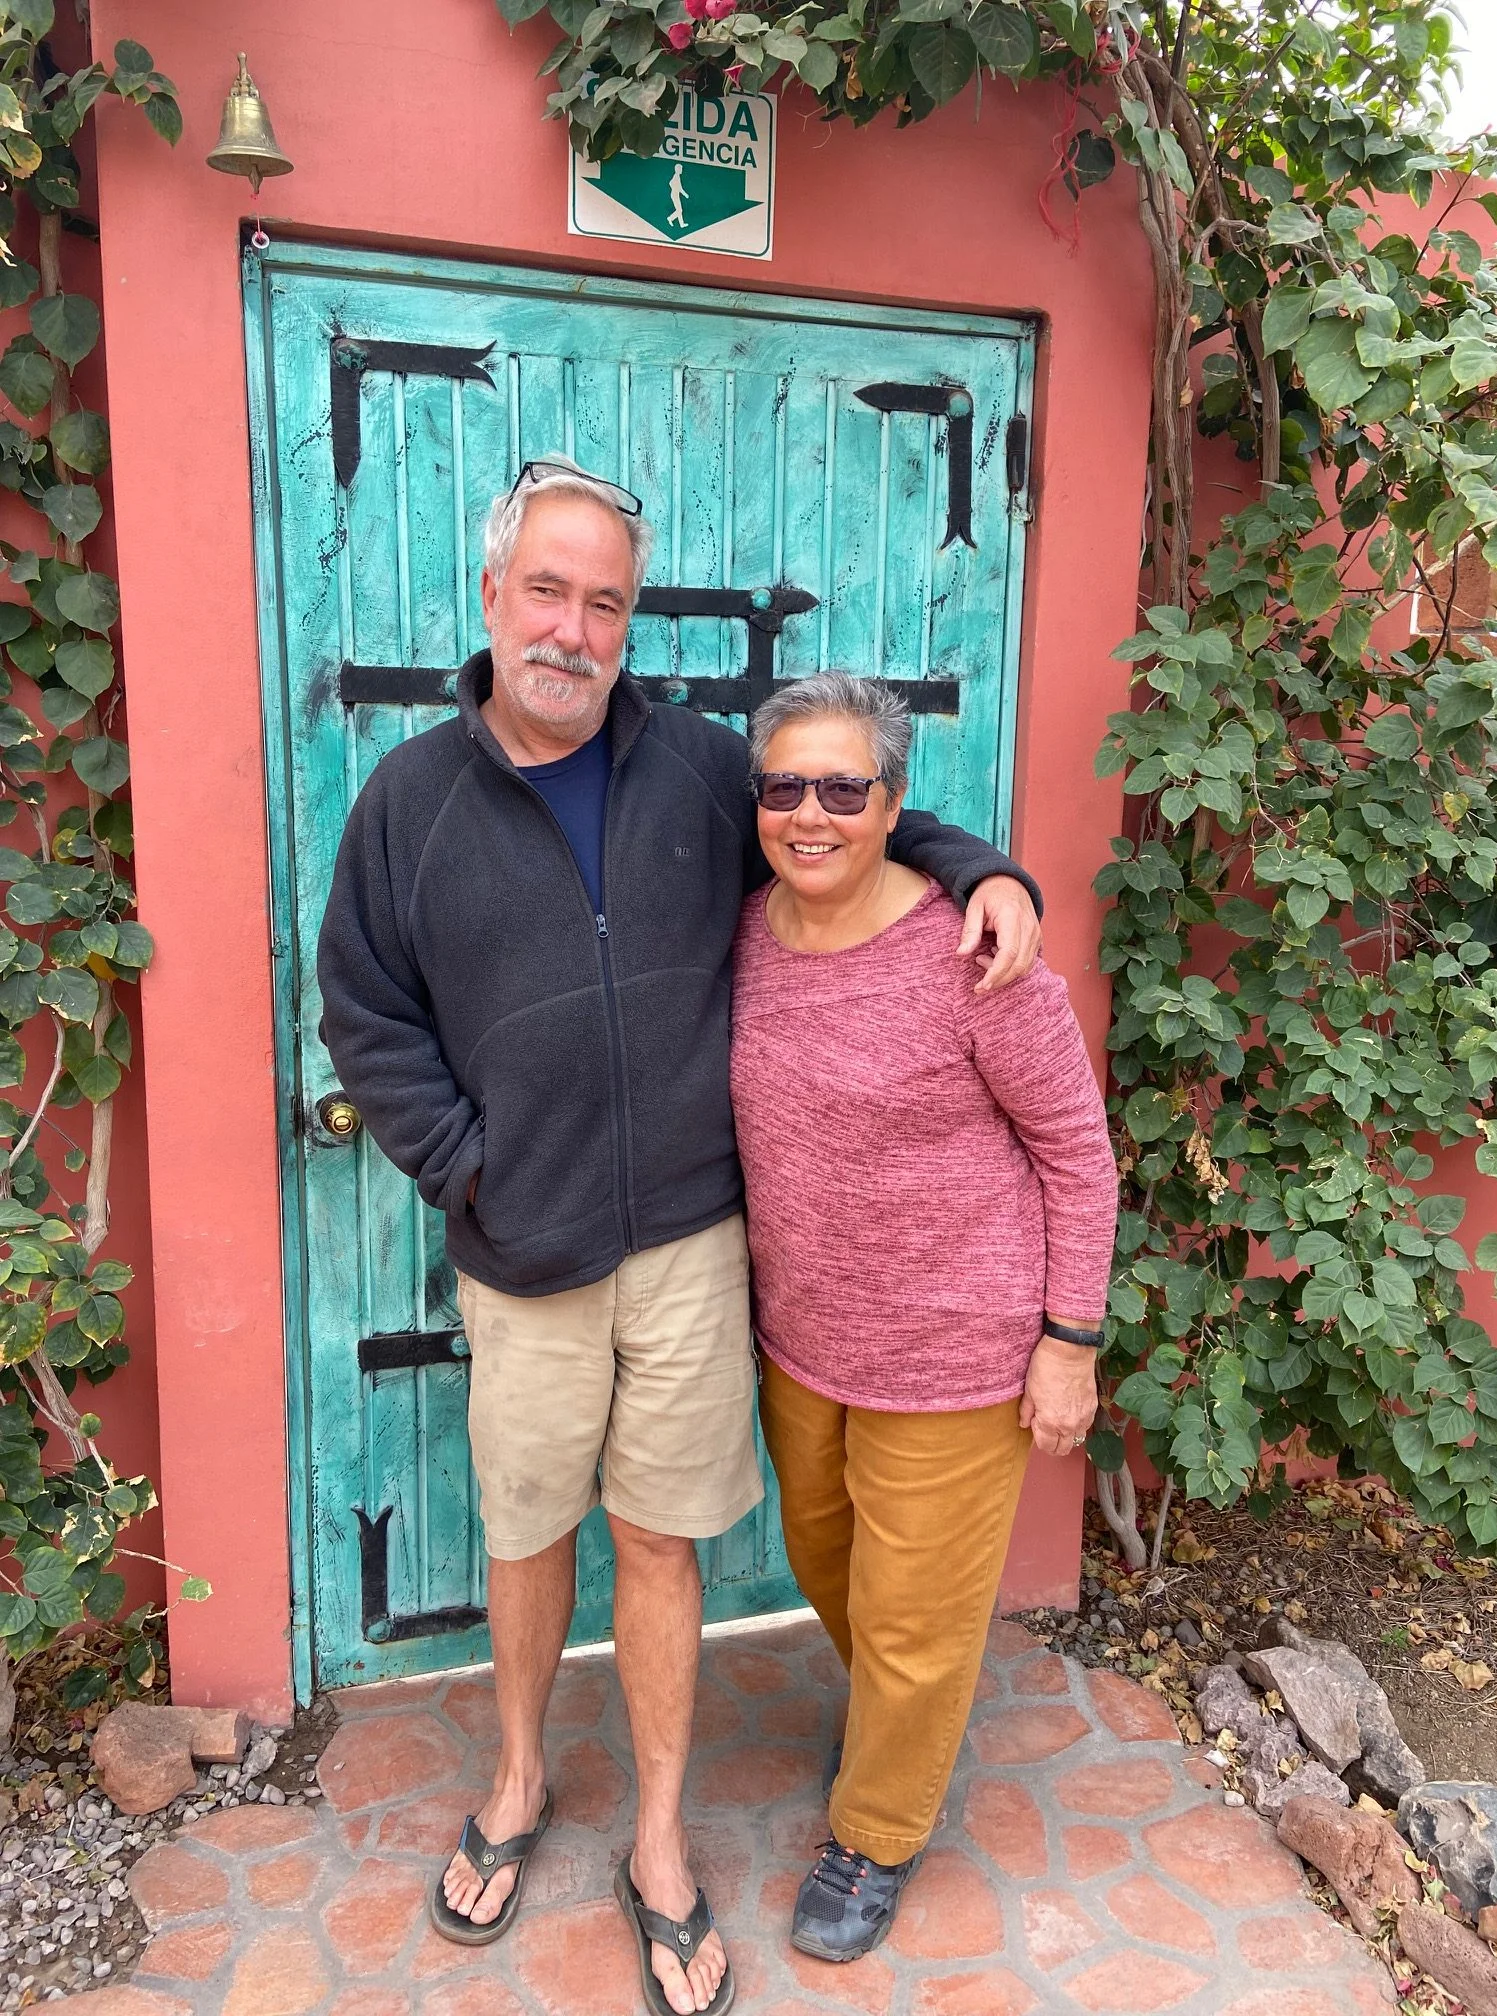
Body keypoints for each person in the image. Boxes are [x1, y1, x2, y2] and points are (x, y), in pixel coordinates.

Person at [316, 459, 1045, 2016]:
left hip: (696, 1250)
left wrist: (981, 867)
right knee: (528, 1531)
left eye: (605, 602)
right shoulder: (408, 805)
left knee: (661, 1541)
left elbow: (848, 815)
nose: (572, 630)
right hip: (524, 1253)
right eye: (547, 591)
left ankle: (657, 1837)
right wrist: (467, 1169)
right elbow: (366, 1014)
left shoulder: (708, 769)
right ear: (492, 594)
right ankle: (519, 1780)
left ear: (629, 622)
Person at [728, 671, 1118, 1966]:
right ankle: (901, 1722)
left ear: (896, 805)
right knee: (827, 1565)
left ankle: (879, 1830)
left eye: (846, 788)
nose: (812, 813)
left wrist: (1070, 1340)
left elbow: (1077, 1154)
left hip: (958, 1353)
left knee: (912, 1618)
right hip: (804, 1341)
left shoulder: (976, 958)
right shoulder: (743, 932)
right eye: (786, 786)